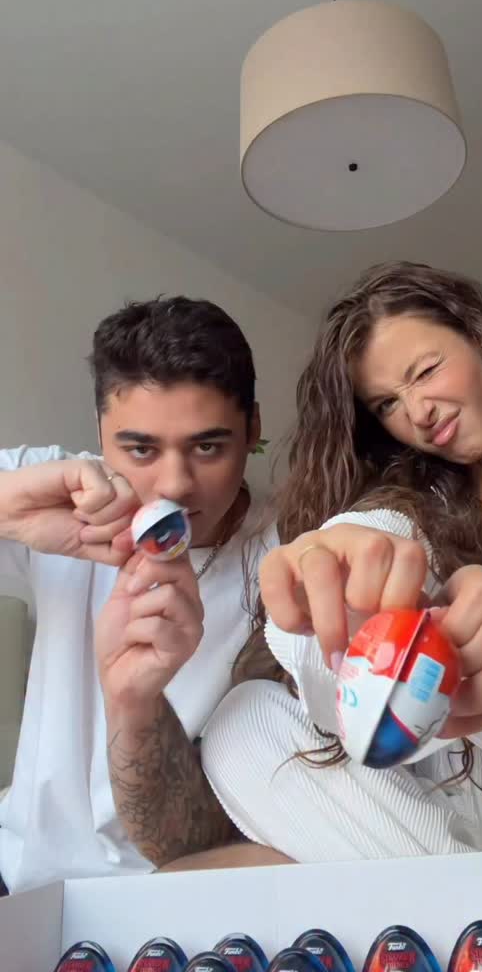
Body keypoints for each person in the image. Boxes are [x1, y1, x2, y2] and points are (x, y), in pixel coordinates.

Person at [196, 262, 482, 972]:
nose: (418, 411)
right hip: (468, 825)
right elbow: (386, 535)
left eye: (426, 371)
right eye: (387, 404)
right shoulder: (416, 505)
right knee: (242, 723)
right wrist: (340, 573)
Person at [0, 295, 284, 893]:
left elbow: (215, 836)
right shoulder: (60, 488)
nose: (174, 485)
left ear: (253, 429)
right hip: (16, 871)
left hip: (167, 892)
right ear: (99, 431)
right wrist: (8, 512)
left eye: (208, 447)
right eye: (140, 449)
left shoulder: (286, 559)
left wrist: (139, 699)